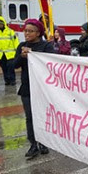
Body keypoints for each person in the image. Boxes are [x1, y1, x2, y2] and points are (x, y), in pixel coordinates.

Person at [13, 18, 55, 158]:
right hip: (27, 87)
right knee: (30, 117)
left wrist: (34, 55)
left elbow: (51, 63)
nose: (27, 34)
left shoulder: (46, 46)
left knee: (42, 116)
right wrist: (22, 56)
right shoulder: (22, 46)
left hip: (42, 88)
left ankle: (44, 142)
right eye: (25, 31)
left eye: (30, 31)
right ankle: (33, 144)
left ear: (38, 33)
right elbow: (14, 65)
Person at [0, 16, 19, 86]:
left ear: (4, 23)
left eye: (1, 23)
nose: (0, 25)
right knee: (4, 67)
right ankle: (7, 80)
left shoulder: (10, 31)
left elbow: (15, 41)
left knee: (10, 67)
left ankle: (12, 80)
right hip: (1, 54)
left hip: (10, 53)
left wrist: (17, 50)